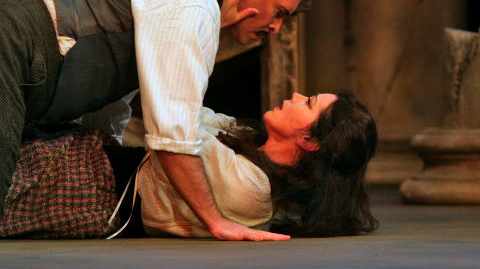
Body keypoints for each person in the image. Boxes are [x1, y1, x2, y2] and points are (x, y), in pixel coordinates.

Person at [0, 0, 316, 241]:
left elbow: (114, 79)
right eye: (280, 12)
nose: (276, 27)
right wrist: (216, 221)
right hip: (15, 38)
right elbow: (172, 132)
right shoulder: (193, 1)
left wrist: (99, 150)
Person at [0, 91, 378, 238]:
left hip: (76, 191)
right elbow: (196, 115)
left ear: (310, 141)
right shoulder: (249, 151)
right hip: (80, 162)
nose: (295, 95)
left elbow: (176, 120)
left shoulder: (254, 192)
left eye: (308, 103)